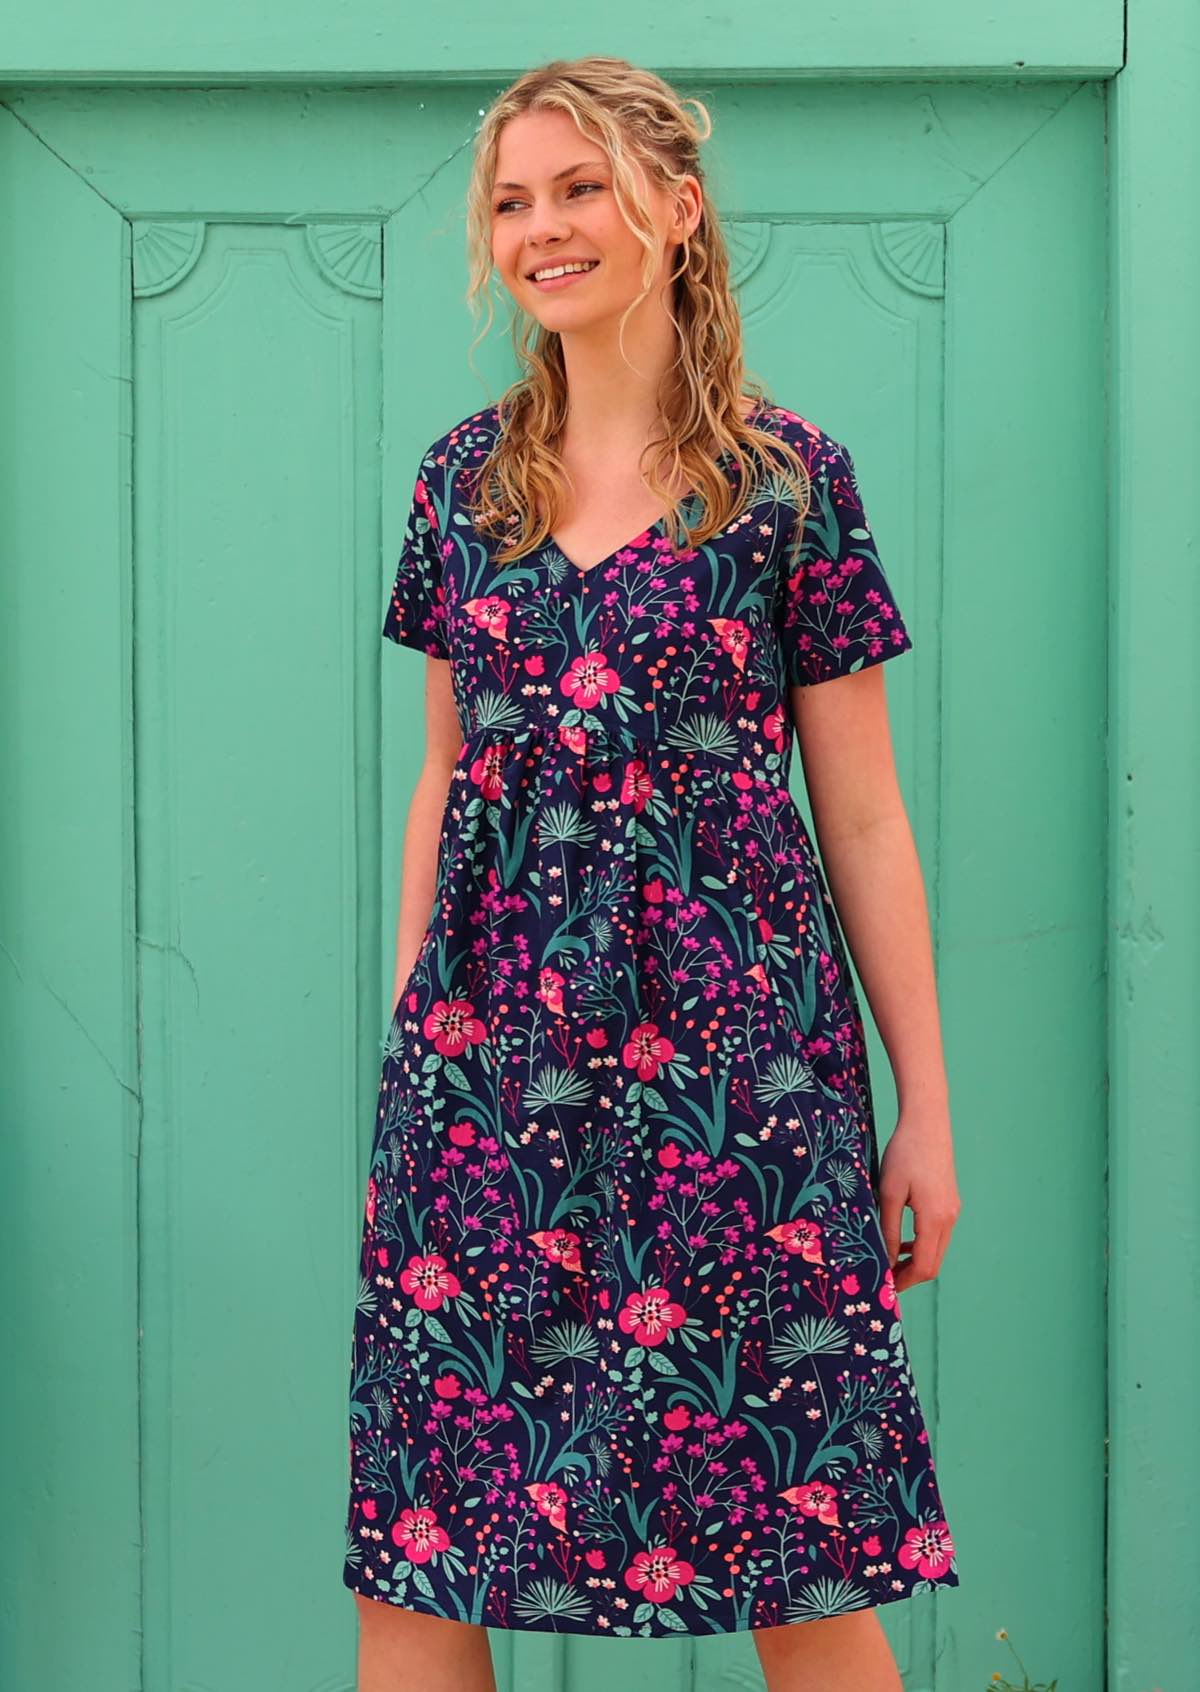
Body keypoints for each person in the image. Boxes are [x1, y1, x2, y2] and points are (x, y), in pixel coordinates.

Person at [346, 54, 963, 1692]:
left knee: (799, 1539)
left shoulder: (787, 486)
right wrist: (408, 1055)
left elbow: (869, 819)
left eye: (579, 188)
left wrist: (928, 1105)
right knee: (425, 1544)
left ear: (675, 210)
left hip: (741, 1092)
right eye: (511, 200)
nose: (543, 229)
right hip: (485, 1079)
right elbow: (445, 776)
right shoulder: (460, 487)